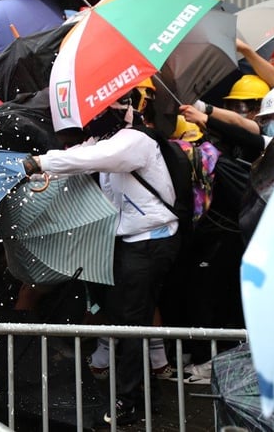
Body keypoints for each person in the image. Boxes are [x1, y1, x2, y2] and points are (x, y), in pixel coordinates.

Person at [25, 94, 180, 426]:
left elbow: (95, 158)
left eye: (97, 112)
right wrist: (34, 163)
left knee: (131, 323)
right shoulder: (105, 139)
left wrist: (41, 164)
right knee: (126, 319)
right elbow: (79, 154)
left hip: (151, 241)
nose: (89, 121)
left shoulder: (133, 141)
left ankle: (131, 401)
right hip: (130, 242)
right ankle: (143, 395)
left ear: (119, 110)